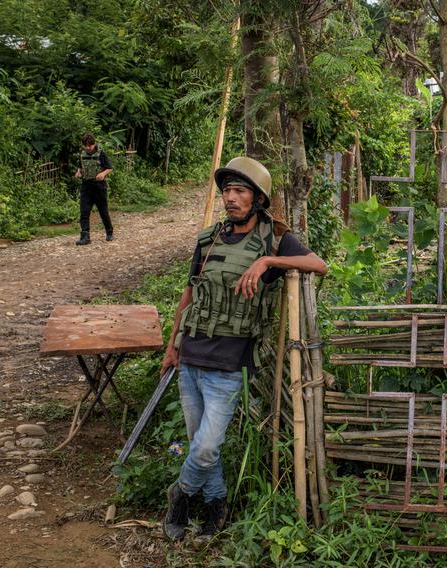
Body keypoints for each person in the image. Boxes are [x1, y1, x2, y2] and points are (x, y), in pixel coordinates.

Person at [159, 156, 327, 541]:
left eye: (239, 192)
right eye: (226, 191)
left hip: (228, 366)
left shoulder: (273, 238)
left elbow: (318, 264)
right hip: (191, 358)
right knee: (205, 448)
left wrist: (268, 260)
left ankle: (180, 495)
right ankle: (217, 506)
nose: (230, 199)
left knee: (203, 449)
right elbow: (189, 296)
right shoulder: (209, 239)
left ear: (258, 199)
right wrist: (172, 347)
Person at [74, 133, 114, 245]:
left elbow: (110, 168)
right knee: (84, 212)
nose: (88, 148)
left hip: (99, 187)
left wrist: (103, 173)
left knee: (103, 211)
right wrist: (78, 172)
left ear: (94, 144)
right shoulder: (82, 155)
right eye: (86, 145)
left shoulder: (101, 154)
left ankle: (109, 232)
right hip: (86, 186)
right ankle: (85, 237)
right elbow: (80, 166)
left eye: (90, 145)